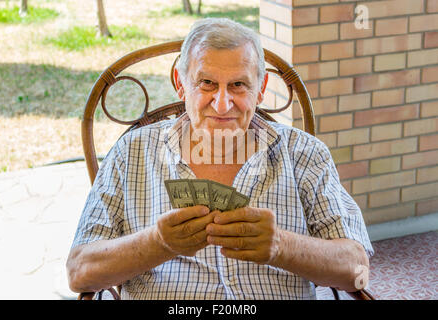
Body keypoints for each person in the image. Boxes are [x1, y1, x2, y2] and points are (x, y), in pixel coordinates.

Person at [66, 17, 373, 300]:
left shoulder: (304, 153)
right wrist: (158, 243)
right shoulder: (132, 151)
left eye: (238, 85)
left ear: (261, 88)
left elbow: (356, 269)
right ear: (180, 83)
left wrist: (282, 246)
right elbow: (80, 272)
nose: (223, 104)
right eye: (207, 83)